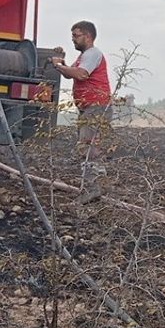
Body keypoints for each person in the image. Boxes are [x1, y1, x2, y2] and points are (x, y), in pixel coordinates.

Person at [48, 20, 111, 204]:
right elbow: (71, 72)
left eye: (76, 36)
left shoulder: (93, 54)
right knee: (89, 147)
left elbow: (81, 74)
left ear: (88, 36)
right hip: (89, 108)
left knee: (89, 148)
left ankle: (94, 189)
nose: (73, 39)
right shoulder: (85, 56)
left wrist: (59, 65)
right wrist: (60, 62)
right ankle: (95, 186)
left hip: (95, 107)